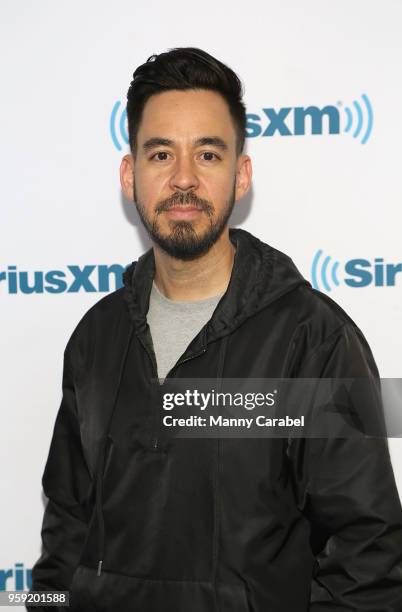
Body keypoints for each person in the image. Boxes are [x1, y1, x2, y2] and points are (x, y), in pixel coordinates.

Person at [29, 47, 402, 611]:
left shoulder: (313, 339)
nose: (183, 179)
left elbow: (367, 557)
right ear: (131, 175)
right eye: (160, 154)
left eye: (207, 153)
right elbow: (65, 534)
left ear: (241, 173)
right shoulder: (95, 339)